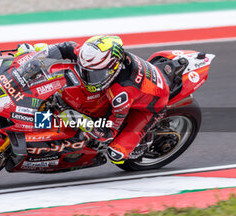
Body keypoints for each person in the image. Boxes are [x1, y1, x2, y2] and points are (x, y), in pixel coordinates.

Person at [14, 35, 170, 164]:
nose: (87, 78)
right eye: (84, 71)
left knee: (117, 154)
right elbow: (64, 48)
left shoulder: (121, 94)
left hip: (151, 106)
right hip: (130, 88)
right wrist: (34, 53)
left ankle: (138, 145)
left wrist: (80, 120)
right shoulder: (95, 58)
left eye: (94, 75)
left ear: (112, 69)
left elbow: (108, 131)